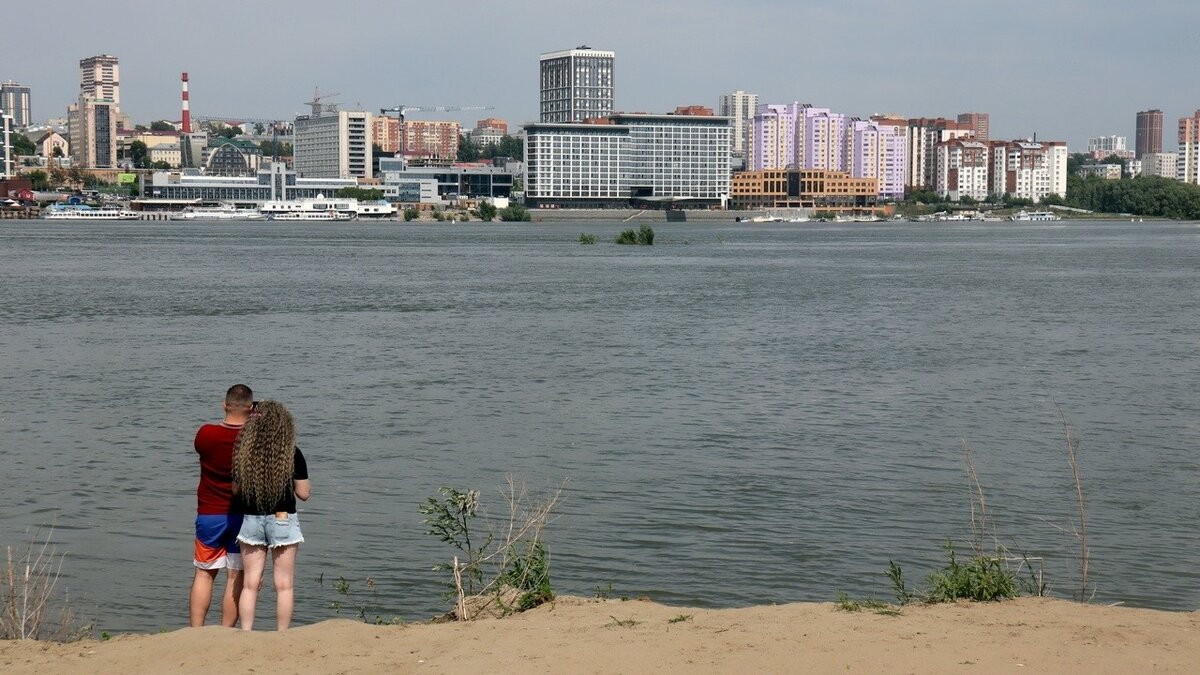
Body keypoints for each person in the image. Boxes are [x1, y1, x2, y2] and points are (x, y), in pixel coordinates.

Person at [232, 400, 310, 631]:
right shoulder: (291, 454)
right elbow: (303, 494)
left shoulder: (243, 454)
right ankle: (282, 634)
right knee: (284, 585)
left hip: (251, 519)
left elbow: (235, 491)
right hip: (283, 518)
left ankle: (246, 631)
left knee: (250, 583)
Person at [189, 383, 252, 627]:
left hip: (209, 515)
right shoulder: (252, 439)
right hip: (242, 517)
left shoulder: (206, 434)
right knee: (235, 576)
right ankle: (226, 632)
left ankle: (196, 630)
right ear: (250, 408)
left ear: (224, 405)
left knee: (204, 573)